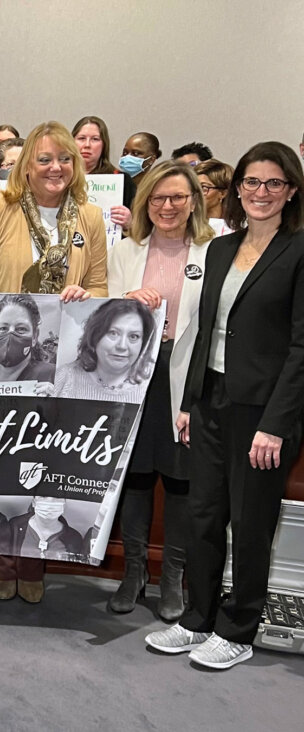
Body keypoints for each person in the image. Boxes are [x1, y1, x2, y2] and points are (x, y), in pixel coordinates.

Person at [146, 141, 304, 670]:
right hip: (211, 401)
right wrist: (190, 401)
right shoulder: (219, 248)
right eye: (252, 182)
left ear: (291, 191)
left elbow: (303, 347)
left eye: (274, 183)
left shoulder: (300, 249)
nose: (261, 193)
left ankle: (238, 629)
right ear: (238, 189)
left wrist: (277, 424)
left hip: (264, 415)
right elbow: (206, 330)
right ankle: (197, 619)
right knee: (204, 515)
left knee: (252, 521)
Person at [107, 160, 214, 619]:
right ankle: (134, 572)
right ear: (144, 202)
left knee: (180, 479)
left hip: (189, 376)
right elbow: (106, 315)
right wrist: (127, 302)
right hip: (136, 375)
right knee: (135, 476)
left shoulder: (215, 250)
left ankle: (172, 577)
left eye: (177, 198)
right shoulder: (125, 251)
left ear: (194, 202)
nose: (167, 206)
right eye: (157, 198)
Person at [0, 120, 108, 302]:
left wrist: (86, 296)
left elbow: (98, 287)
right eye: (45, 160)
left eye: (65, 159)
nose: (56, 167)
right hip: (6, 326)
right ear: (27, 165)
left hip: (67, 327)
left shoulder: (91, 216)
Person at [49, 298, 156, 402]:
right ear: (95, 335)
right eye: (113, 333)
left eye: (133, 336)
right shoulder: (65, 377)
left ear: (144, 343)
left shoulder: (151, 388)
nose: (122, 346)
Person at [72, 114, 136, 210]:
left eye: (95, 139)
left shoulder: (122, 180)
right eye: (82, 138)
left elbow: (140, 220)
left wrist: (129, 222)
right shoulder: (60, 178)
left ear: (104, 145)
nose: (87, 145)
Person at [0, 496, 85, 561]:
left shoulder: (74, 538)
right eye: (43, 496)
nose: (50, 502)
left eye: (57, 497)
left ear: (64, 504)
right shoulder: (14, 526)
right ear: (34, 502)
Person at [196, 159, 233, 232]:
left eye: (204, 188)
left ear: (223, 193)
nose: (196, 193)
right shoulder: (185, 228)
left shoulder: (232, 232)